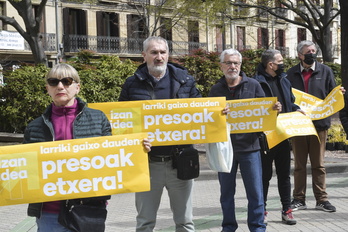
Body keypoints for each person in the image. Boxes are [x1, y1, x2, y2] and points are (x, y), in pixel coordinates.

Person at [23, 63, 151, 231]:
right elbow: (25, 169)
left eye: (67, 81)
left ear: (77, 87)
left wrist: (139, 150)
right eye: (54, 82)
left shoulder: (98, 119)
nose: (60, 86)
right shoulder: (34, 127)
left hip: (88, 209)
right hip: (49, 212)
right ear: (47, 88)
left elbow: (114, 157)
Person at [118, 36, 201, 232]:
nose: (159, 57)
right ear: (144, 55)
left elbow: (201, 114)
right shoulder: (132, 84)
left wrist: (218, 114)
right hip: (147, 164)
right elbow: (122, 122)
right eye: (154, 52)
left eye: (163, 52)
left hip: (179, 162)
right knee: (145, 224)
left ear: (168, 55)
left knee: (185, 223)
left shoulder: (186, 81)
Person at [209, 48, 280, 232]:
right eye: (228, 63)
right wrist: (218, 115)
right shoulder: (215, 90)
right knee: (226, 193)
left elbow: (265, 113)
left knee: (255, 193)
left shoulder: (254, 85)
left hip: (250, 148)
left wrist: (274, 109)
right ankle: (228, 227)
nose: (232, 66)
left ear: (240, 65)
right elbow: (208, 120)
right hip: (225, 149)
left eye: (236, 63)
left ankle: (257, 228)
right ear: (221, 66)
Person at [286, 40, 337, 212]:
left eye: (314, 50)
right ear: (300, 55)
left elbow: (333, 95)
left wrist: (339, 94)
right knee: (299, 165)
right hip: (298, 125)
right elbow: (287, 98)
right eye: (308, 51)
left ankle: (321, 199)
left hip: (319, 126)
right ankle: (299, 199)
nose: (312, 54)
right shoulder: (290, 74)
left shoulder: (326, 71)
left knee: (319, 164)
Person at [254, 49, 302, 225]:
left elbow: (290, 100)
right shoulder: (256, 83)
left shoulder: (284, 80)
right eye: (280, 61)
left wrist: (296, 109)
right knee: (264, 176)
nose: (283, 64)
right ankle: (262, 210)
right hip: (265, 138)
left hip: (283, 135)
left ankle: (287, 210)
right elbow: (254, 109)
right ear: (271, 64)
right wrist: (270, 110)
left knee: (284, 175)